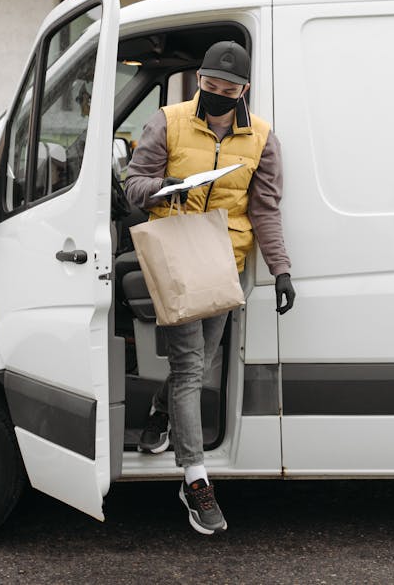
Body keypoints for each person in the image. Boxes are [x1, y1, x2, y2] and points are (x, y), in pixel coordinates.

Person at [124, 39, 296, 535]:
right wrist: (167, 186)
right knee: (190, 363)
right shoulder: (168, 120)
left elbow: (265, 209)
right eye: (208, 86)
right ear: (198, 80)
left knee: (203, 359)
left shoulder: (262, 137)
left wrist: (280, 269)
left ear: (243, 91)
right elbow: (133, 184)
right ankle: (195, 478)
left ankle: (159, 417)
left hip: (225, 259)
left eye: (226, 90)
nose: (216, 95)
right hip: (177, 256)